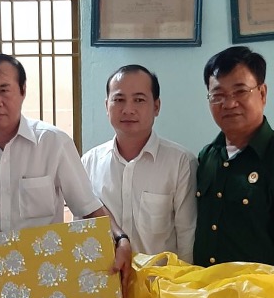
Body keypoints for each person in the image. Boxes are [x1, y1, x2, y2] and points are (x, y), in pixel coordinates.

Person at [0, 53, 131, 289]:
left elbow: (89, 208)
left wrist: (121, 238)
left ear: (22, 90)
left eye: (4, 90)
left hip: (45, 282)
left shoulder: (53, 142)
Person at [195, 46, 274, 268]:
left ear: (262, 93)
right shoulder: (207, 157)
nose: (229, 104)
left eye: (240, 91)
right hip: (206, 288)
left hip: (262, 290)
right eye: (218, 95)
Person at [81, 65, 197, 262]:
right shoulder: (89, 163)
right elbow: (81, 232)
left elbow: (187, 238)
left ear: (156, 106)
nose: (128, 110)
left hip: (160, 280)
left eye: (139, 100)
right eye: (119, 100)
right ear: (106, 106)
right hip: (106, 279)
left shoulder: (181, 163)